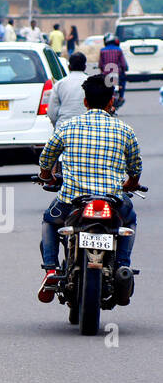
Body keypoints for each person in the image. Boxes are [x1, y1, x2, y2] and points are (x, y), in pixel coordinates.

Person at [36, 75, 143, 301]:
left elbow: (47, 159)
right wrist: (131, 183)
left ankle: (52, 269)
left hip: (72, 201)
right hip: (113, 201)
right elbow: (135, 168)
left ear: (85, 102)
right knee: (130, 221)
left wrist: (46, 176)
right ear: (111, 101)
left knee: (49, 220)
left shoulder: (67, 127)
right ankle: (123, 265)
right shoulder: (125, 130)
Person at [47, 52, 89, 129]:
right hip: (87, 128)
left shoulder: (60, 84)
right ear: (85, 67)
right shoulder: (92, 83)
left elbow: (51, 113)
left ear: (69, 67)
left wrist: (57, 125)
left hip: (64, 127)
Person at [98, 34, 128, 106]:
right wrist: (124, 70)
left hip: (106, 74)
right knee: (123, 81)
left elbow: (100, 64)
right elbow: (123, 64)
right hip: (117, 73)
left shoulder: (102, 51)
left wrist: (102, 70)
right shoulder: (119, 50)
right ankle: (121, 97)